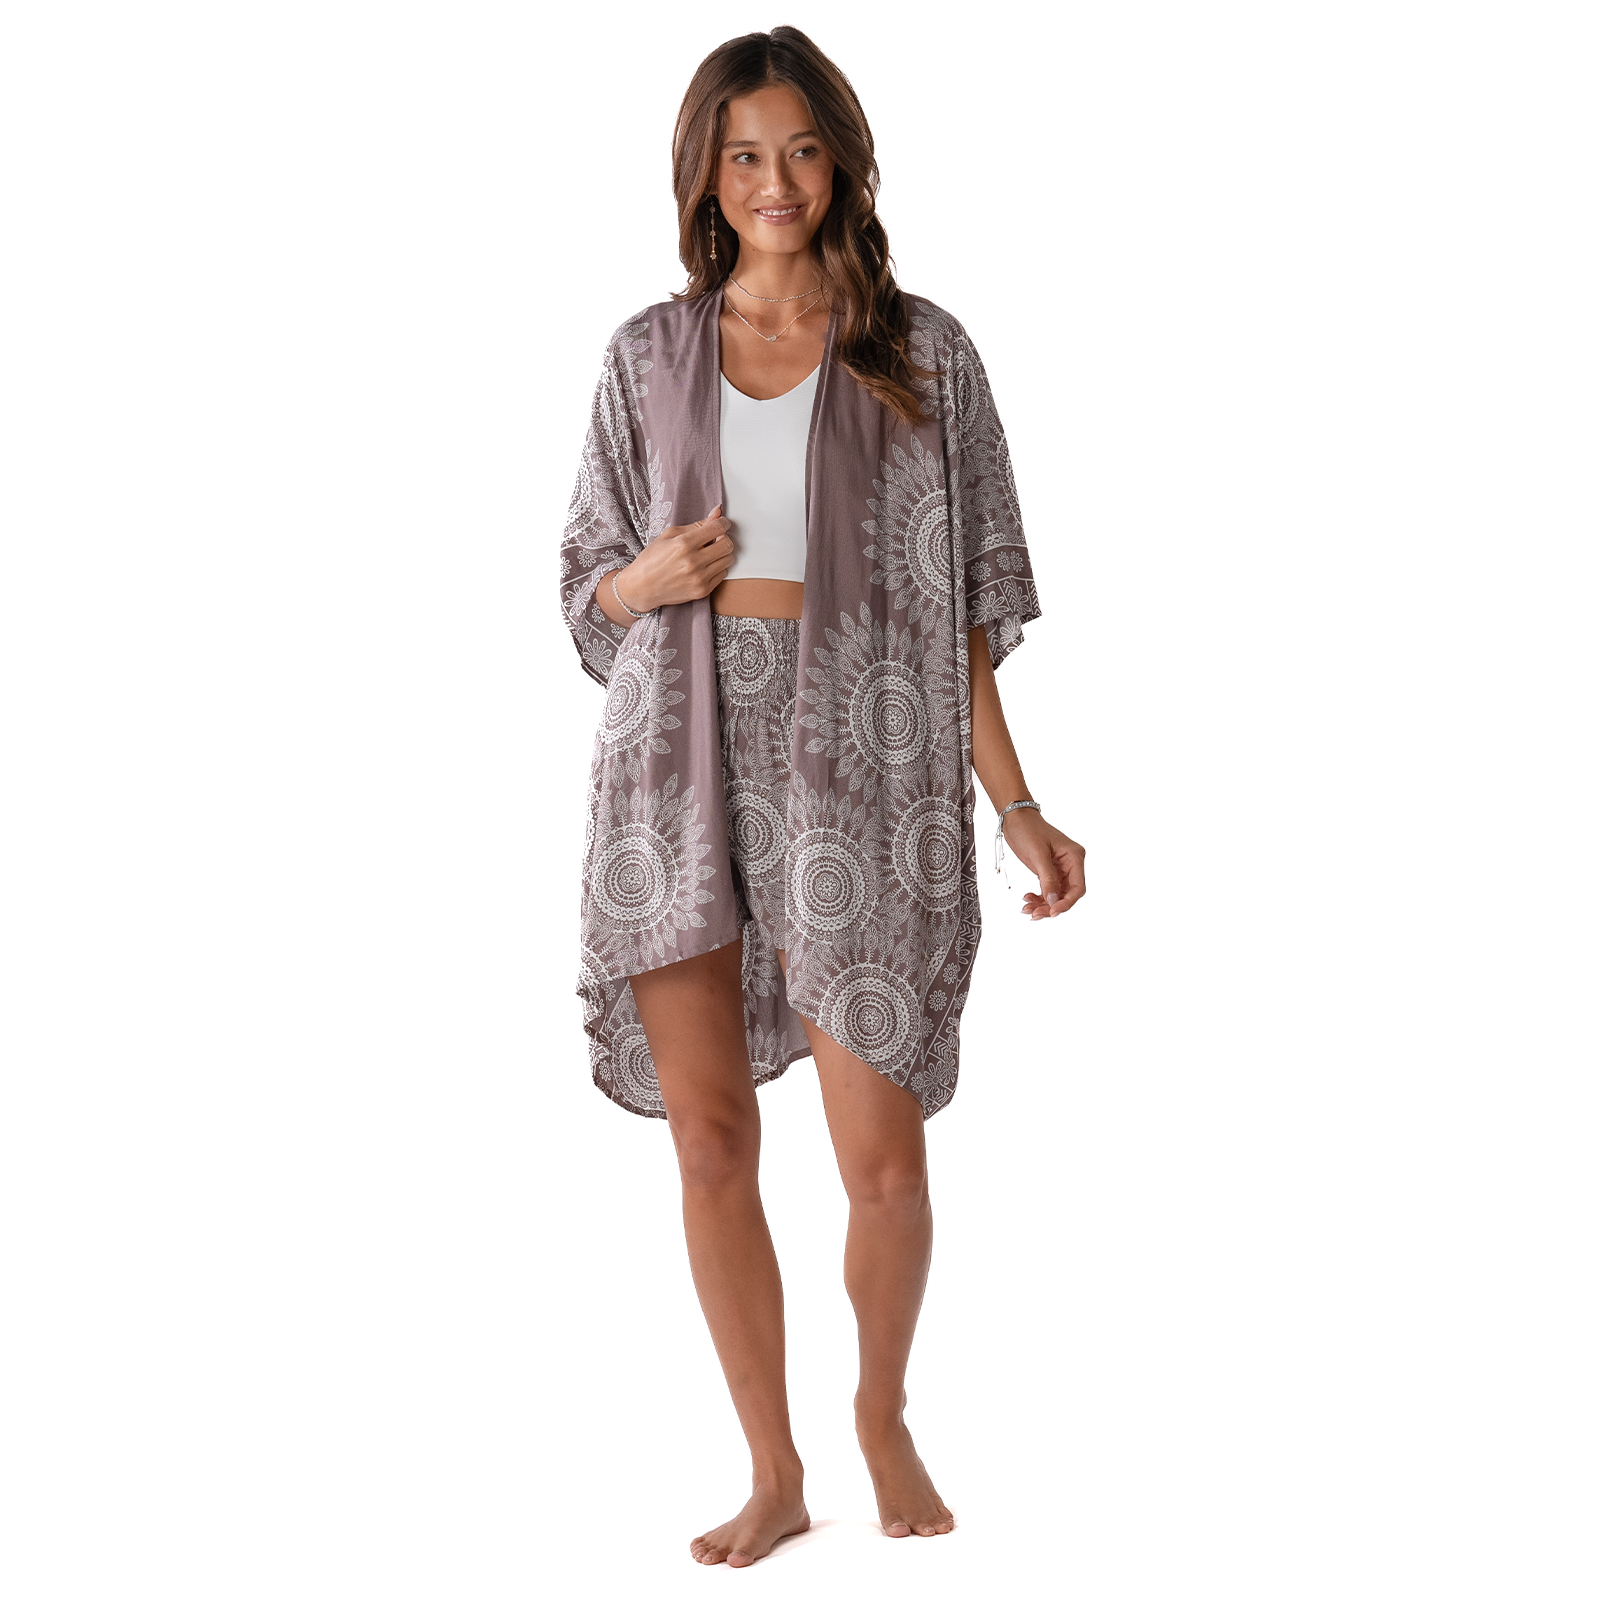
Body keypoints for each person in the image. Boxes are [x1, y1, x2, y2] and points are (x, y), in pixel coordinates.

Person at [559, 26, 1086, 1569]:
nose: (775, 181)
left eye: (799, 150)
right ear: (705, 178)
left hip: (869, 762)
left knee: (884, 1160)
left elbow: (960, 609)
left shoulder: (924, 354)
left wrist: (1018, 805)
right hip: (676, 770)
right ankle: (774, 1467)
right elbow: (584, 593)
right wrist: (647, 579)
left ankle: (880, 1409)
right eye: (744, 156)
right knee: (711, 1146)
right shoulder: (645, 356)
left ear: (841, 163)